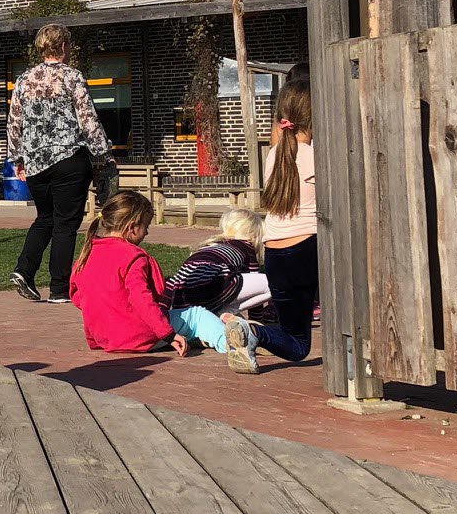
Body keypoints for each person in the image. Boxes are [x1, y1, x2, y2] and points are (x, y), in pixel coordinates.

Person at [8, 24, 113, 304]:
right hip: (69, 158)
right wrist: (103, 154)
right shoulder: (72, 77)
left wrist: (18, 159)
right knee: (66, 223)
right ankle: (58, 288)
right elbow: (88, 119)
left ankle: (24, 269)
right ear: (64, 46)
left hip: (36, 162)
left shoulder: (24, 80)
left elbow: (14, 122)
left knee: (45, 218)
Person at [226, 79, 318, 374]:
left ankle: (254, 333)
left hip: (275, 253)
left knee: (296, 340)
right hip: (309, 247)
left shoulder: (274, 157)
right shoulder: (318, 157)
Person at [67, 190, 173, 353]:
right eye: (146, 226)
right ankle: (224, 341)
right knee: (196, 316)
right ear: (132, 227)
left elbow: (77, 297)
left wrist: (104, 309)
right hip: (141, 336)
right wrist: (168, 334)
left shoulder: (86, 254)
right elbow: (141, 299)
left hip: (105, 338)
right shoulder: (132, 257)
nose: (147, 232)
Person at [164, 207, 269, 360]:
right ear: (254, 235)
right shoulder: (246, 247)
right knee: (273, 284)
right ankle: (224, 316)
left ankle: (215, 322)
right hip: (216, 284)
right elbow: (254, 277)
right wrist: (258, 320)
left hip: (184, 293)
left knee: (227, 291)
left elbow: (177, 280)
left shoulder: (211, 245)